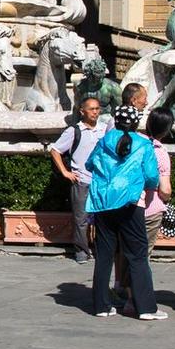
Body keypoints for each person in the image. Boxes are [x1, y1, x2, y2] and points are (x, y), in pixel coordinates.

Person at [86, 101, 168, 320]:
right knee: (137, 255)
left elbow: (89, 164)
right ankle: (146, 308)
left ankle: (101, 306)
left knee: (104, 255)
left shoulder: (104, 141)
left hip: (104, 202)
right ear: (136, 122)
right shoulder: (143, 144)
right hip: (131, 203)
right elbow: (152, 176)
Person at [50, 95, 109, 264]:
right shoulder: (74, 131)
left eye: (97, 109)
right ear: (82, 111)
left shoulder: (105, 130)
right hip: (81, 180)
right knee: (81, 219)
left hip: (101, 182)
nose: (95, 112)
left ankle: (101, 249)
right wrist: (65, 172)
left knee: (103, 219)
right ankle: (82, 251)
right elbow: (55, 150)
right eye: (92, 109)